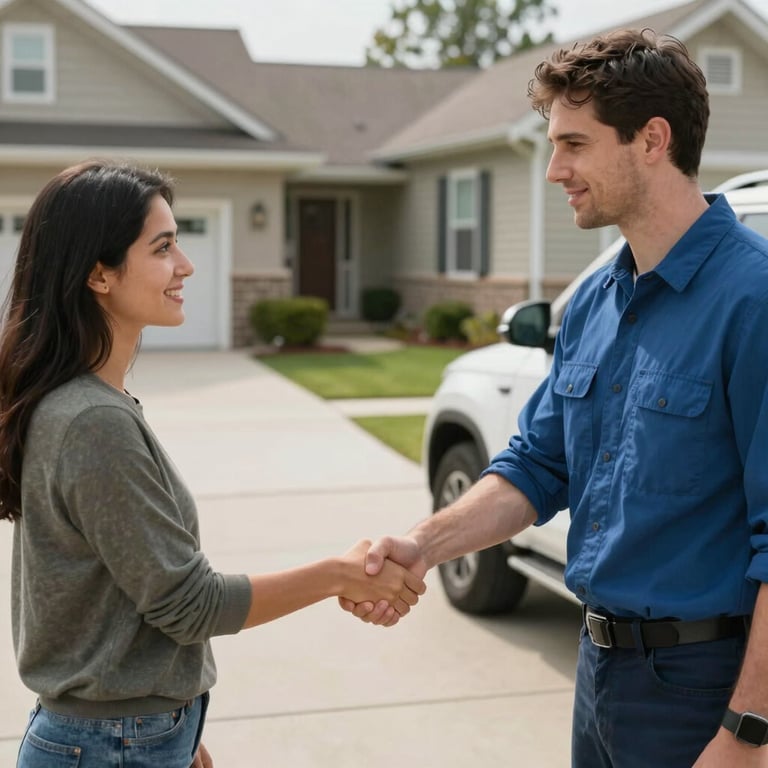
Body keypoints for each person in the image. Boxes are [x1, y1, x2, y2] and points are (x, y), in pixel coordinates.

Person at [341, 28, 768, 768]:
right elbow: (540, 464)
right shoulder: (598, 298)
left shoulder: (754, 300)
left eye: (574, 143)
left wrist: (748, 731)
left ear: (651, 140)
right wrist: (423, 544)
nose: (553, 170)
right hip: (600, 674)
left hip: (705, 694)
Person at [0, 160, 426, 768]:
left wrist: (174, 723)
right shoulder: (91, 421)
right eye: (163, 247)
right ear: (100, 273)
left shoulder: (92, 404)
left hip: (127, 735)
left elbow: (114, 598)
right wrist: (340, 572)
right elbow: (188, 604)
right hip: (110, 744)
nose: (186, 265)